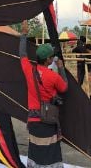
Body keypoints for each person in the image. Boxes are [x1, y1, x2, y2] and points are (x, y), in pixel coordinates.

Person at [19, 21, 68, 168]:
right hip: (48, 119)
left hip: (34, 119)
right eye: (52, 56)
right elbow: (64, 88)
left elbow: (22, 53)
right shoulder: (53, 76)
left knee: (35, 149)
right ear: (47, 60)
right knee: (50, 151)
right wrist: (61, 69)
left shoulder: (29, 70)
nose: (53, 57)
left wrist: (24, 34)